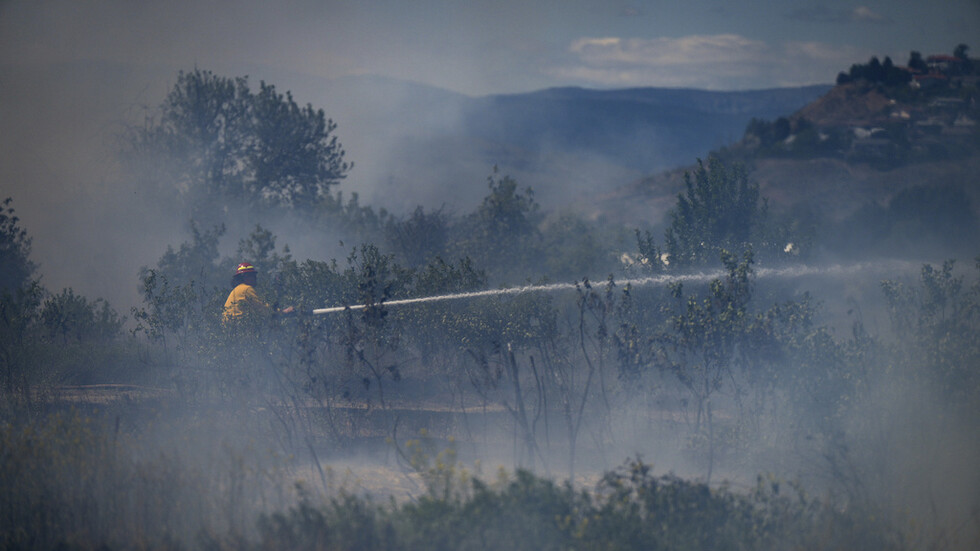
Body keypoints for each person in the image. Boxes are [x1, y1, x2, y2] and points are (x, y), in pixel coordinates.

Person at [223, 262, 294, 322]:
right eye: (253, 276)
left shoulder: (236, 290)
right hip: (240, 327)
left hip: (229, 328)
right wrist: (283, 312)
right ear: (245, 277)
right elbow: (262, 309)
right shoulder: (246, 289)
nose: (255, 278)